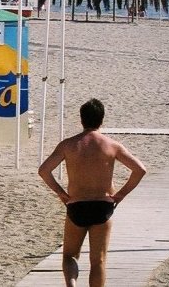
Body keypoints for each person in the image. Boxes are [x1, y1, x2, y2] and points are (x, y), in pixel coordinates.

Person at [38, 98, 147, 287]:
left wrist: (61, 192)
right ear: (101, 120)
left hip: (76, 204)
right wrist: (120, 194)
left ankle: (72, 284)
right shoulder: (112, 145)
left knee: (70, 255)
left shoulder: (69, 145)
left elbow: (44, 170)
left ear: (81, 120)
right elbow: (140, 170)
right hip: (102, 206)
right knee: (99, 261)